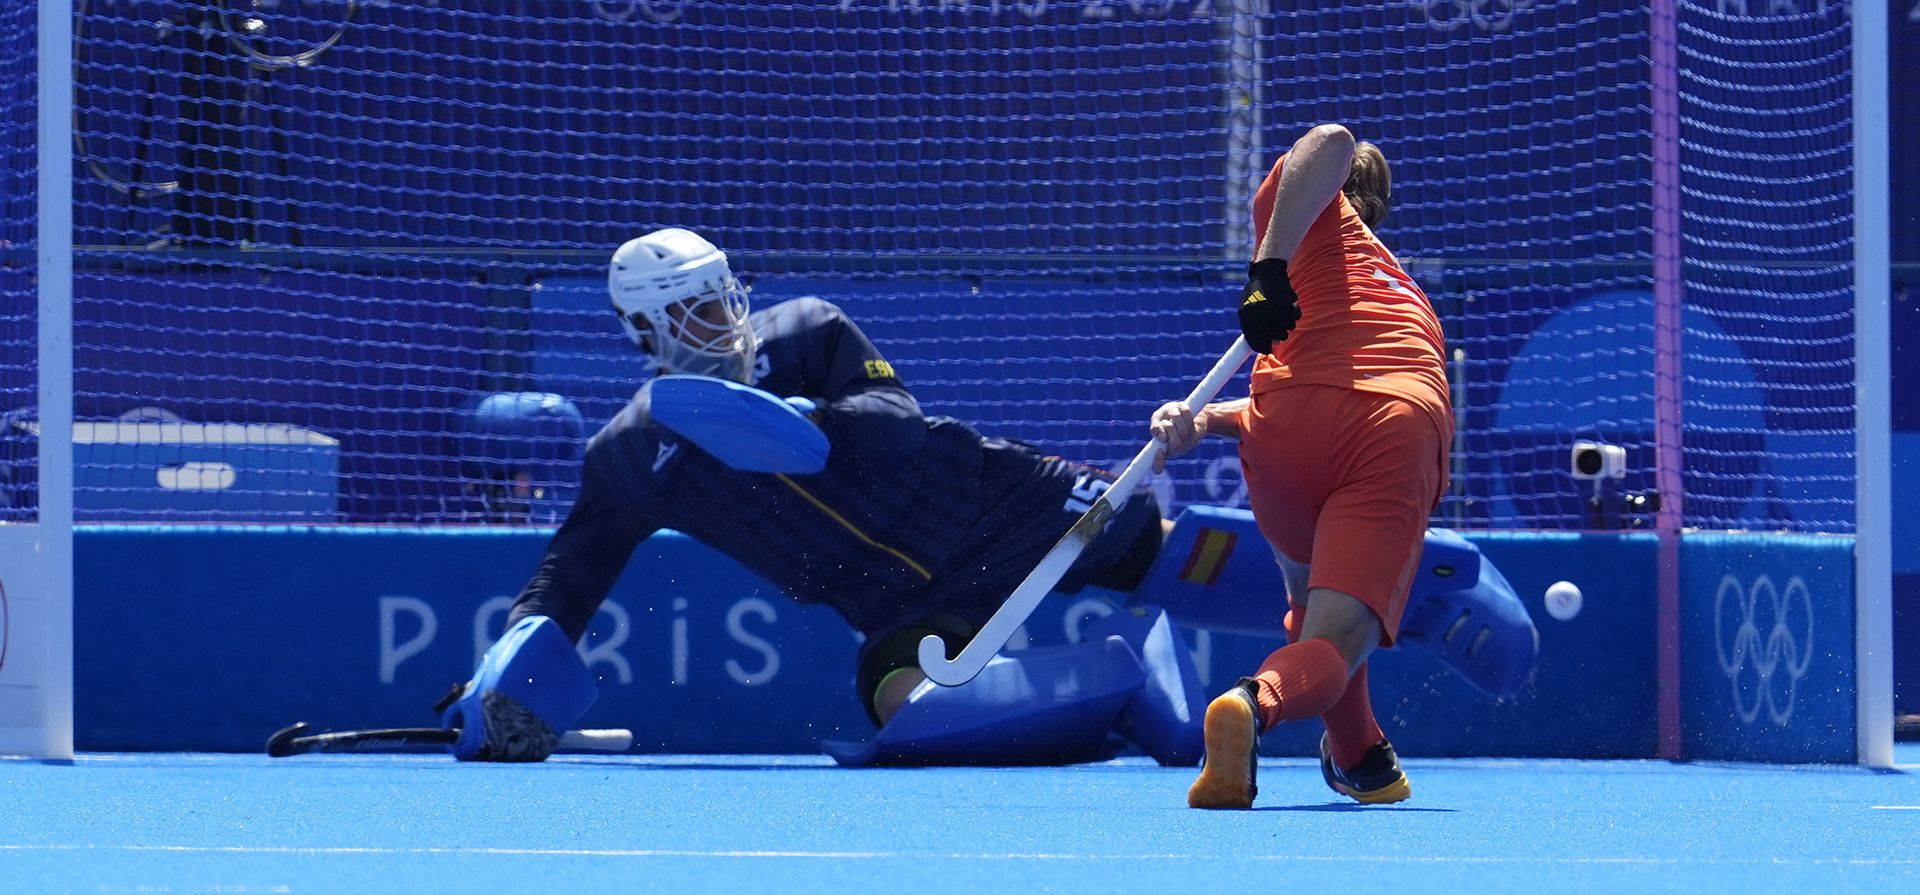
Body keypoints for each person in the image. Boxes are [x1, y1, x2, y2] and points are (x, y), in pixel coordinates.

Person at [438, 226, 1199, 768]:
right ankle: (1125, 675)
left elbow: (897, 421)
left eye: (726, 297)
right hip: (898, 605)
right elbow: (570, 575)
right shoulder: (631, 454)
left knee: (1164, 549)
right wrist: (505, 671)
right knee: (909, 707)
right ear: (647, 332)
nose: (727, 320)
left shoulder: (806, 329)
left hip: (990, 504)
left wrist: (807, 423)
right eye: (700, 310)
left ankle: (1265, 638)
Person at [1158, 125, 1454, 808]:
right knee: (1337, 640)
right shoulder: (1396, 284)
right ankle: (1252, 702)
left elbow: (1308, 386)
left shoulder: (1302, 235)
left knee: (1311, 609)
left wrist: (1201, 418)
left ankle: (1360, 756)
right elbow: (1333, 142)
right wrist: (1267, 273)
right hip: (1390, 427)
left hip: (1285, 430)